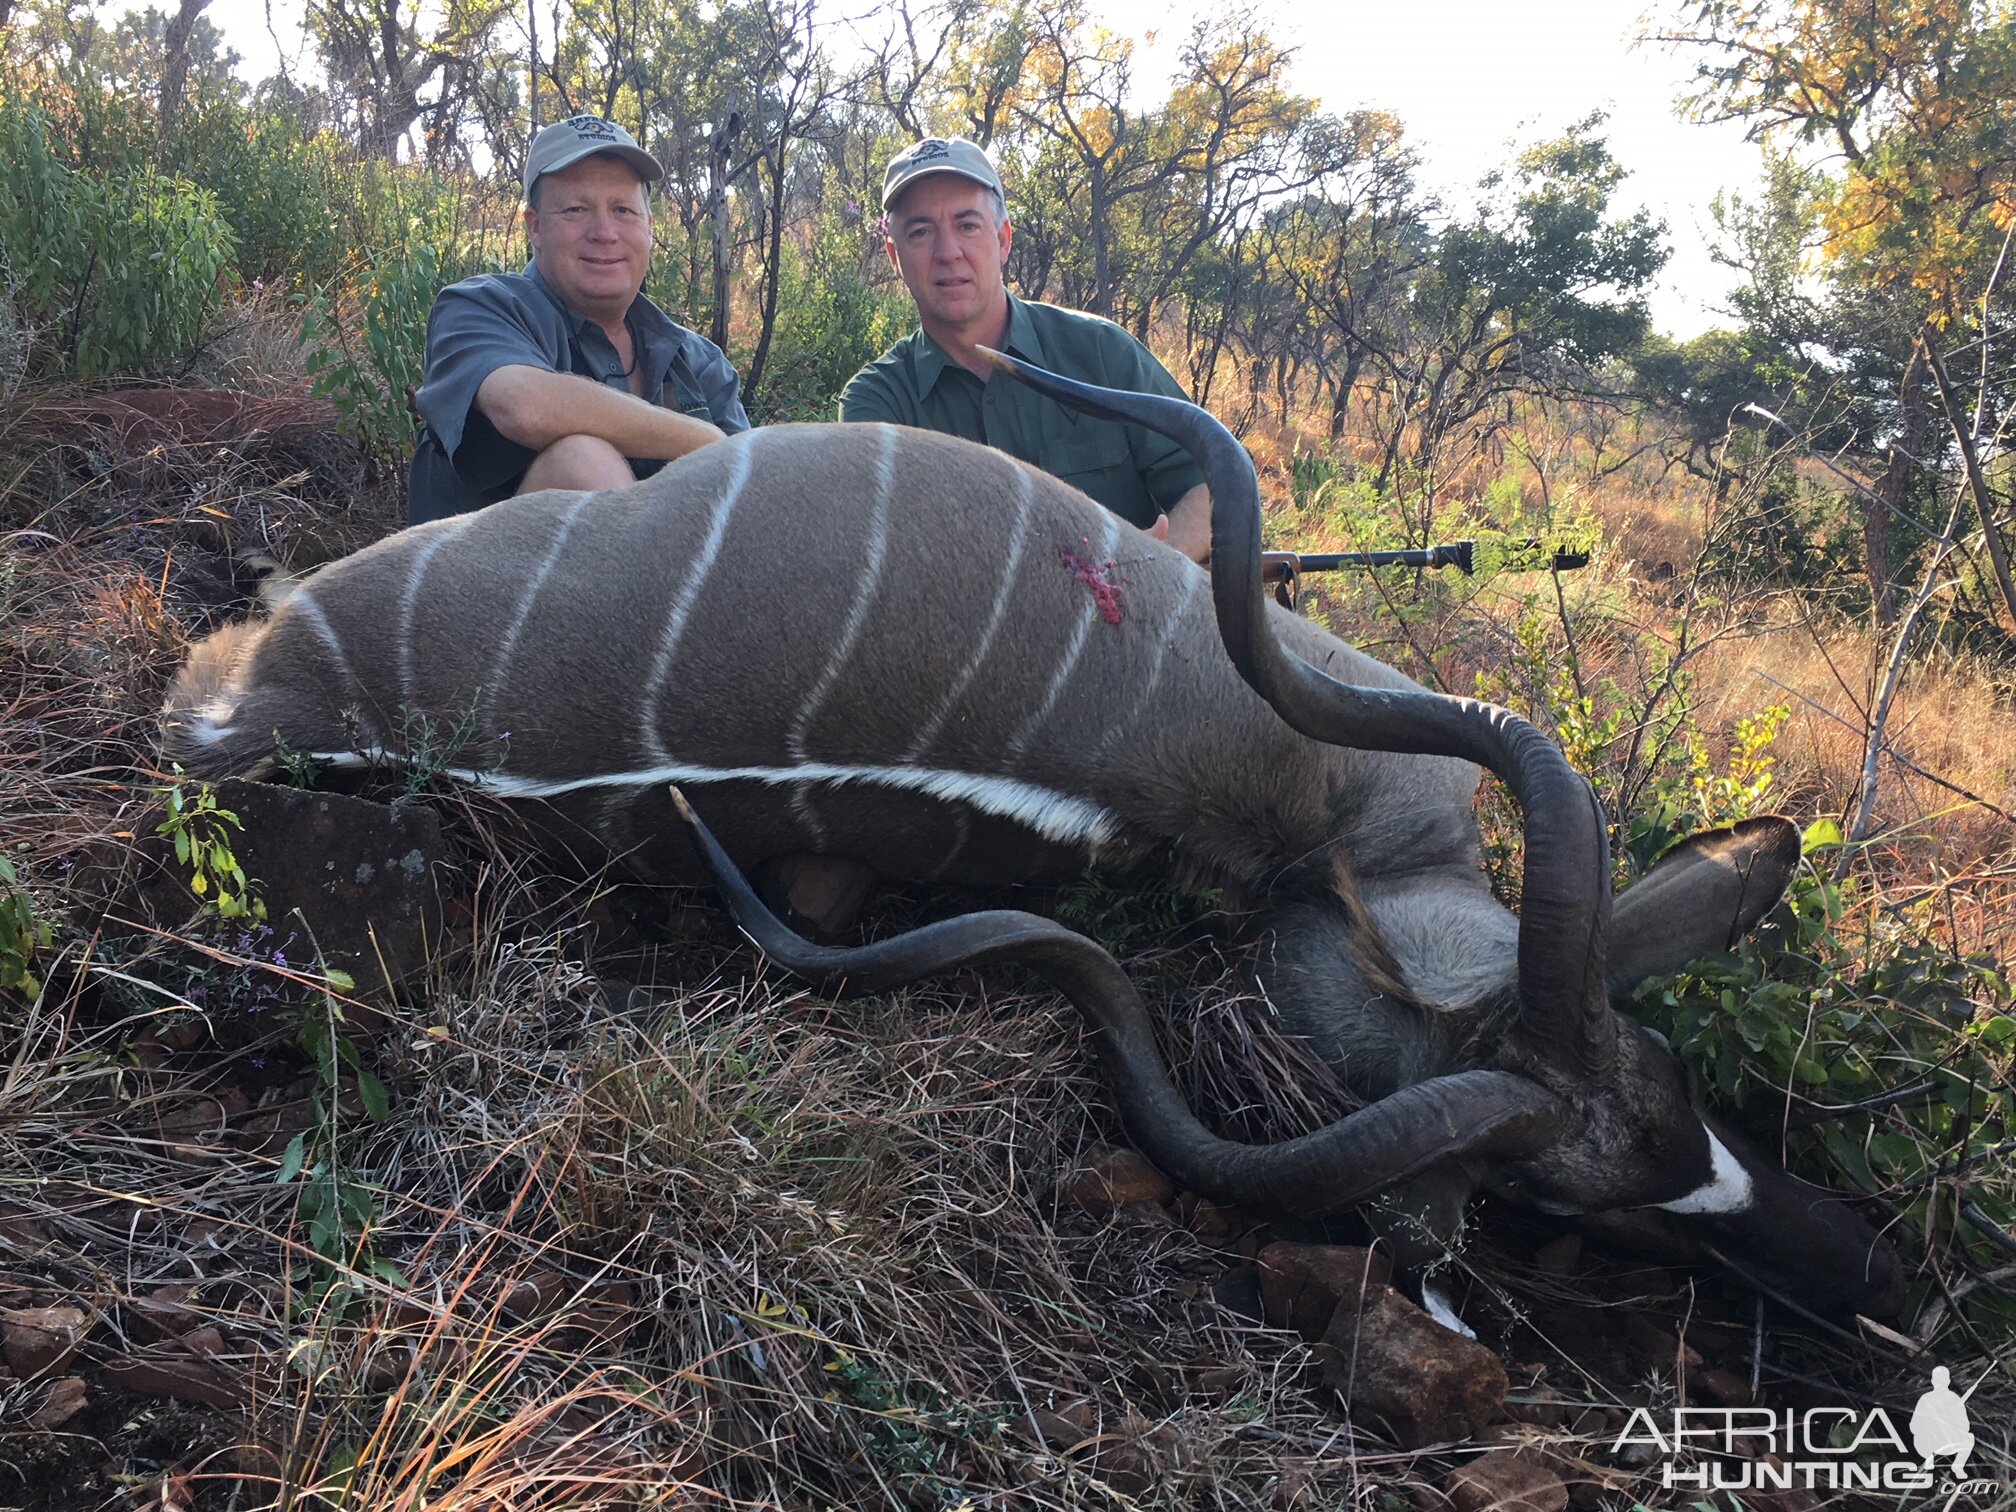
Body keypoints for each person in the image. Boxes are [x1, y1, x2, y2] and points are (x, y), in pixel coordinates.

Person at [840, 137, 1213, 564]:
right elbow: (900, 559)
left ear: (1003, 240)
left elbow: (1211, 484)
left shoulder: (1101, 350)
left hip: (1131, 621)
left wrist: (1156, 571)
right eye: (921, 231)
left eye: (968, 225)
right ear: (894, 255)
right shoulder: (879, 401)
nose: (948, 252)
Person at [407, 115, 749, 525]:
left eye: (623, 210)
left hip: (667, 580)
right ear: (535, 227)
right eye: (576, 209)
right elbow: (526, 407)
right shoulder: (480, 307)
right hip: (479, 586)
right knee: (582, 462)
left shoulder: (700, 361)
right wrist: (709, 441)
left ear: (650, 227)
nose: (604, 232)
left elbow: (748, 501)